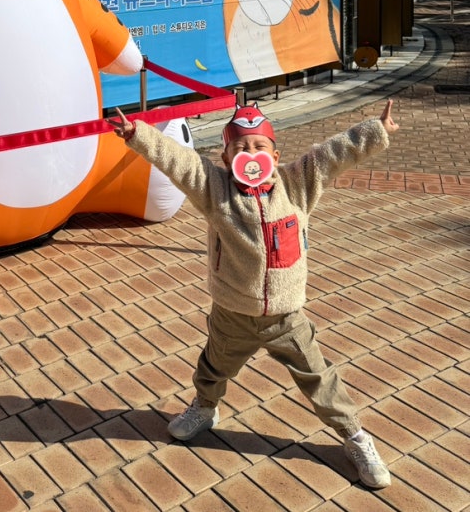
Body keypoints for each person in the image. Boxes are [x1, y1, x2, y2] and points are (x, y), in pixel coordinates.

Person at [107, 98, 399, 490]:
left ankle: (355, 436)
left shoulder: (296, 184)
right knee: (213, 367)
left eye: (259, 146)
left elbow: (331, 154)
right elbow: (180, 162)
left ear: (274, 156)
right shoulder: (214, 189)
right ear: (226, 158)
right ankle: (204, 409)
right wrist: (139, 135)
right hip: (232, 313)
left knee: (319, 378)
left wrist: (375, 131)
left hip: (286, 317)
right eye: (240, 147)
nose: (250, 153)